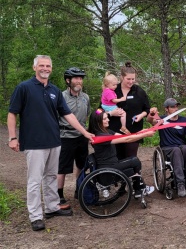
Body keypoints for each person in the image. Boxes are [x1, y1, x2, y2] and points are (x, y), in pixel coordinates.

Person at [7, 55, 94, 232]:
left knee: (51, 176)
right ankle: (36, 216)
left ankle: (52, 207)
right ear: (35, 68)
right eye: (42, 65)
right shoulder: (24, 88)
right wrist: (12, 137)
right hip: (34, 142)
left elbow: (68, 115)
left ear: (51, 69)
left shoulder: (54, 90)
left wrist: (85, 132)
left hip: (54, 141)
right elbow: (12, 113)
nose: (45, 68)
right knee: (34, 180)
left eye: (48, 66)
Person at [88, 109, 155, 197]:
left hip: (112, 165)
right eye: (104, 119)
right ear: (98, 122)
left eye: (107, 118)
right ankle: (139, 189)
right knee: (134, 161)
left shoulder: (107, 132)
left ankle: (138, 188)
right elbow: (127, 140)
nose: (108, 120)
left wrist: (141, 132)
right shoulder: (101, 136)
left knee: (133, 162)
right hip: (108, 170)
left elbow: (126, 136)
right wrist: (145, 135)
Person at [147, 98, 186, 197]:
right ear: (167, 109)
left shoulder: (184, 120)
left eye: (176, 106)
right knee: (176, 150)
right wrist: (152, 113)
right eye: (172, 107)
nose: (175, 109)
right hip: (167, 148)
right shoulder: (161, 120)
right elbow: (149, 120)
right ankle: (180, 183)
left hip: (182, 147)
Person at [57, 67, 90, 205]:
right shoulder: (61, 97)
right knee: (62, 167)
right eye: (76, 78)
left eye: (81, 78)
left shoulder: (85, 97)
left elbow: (87, 114)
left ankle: (79, 188)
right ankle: (59, 194)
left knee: (82, 164)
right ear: (68, 80)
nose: (79, 81)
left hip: (81, 135)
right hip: (65, 135)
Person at [107, 62, 151, 160]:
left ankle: (133, 175)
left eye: (133, 79)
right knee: (117, 159)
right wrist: (110, 113)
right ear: (122, 77)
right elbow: (98, 111)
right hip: (114, 131)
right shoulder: (111, 90)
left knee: (131, 158)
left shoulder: (139, 91)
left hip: (133, 131)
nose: (131, 82)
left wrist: (141, 115)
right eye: (128, 79)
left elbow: (147, 109)